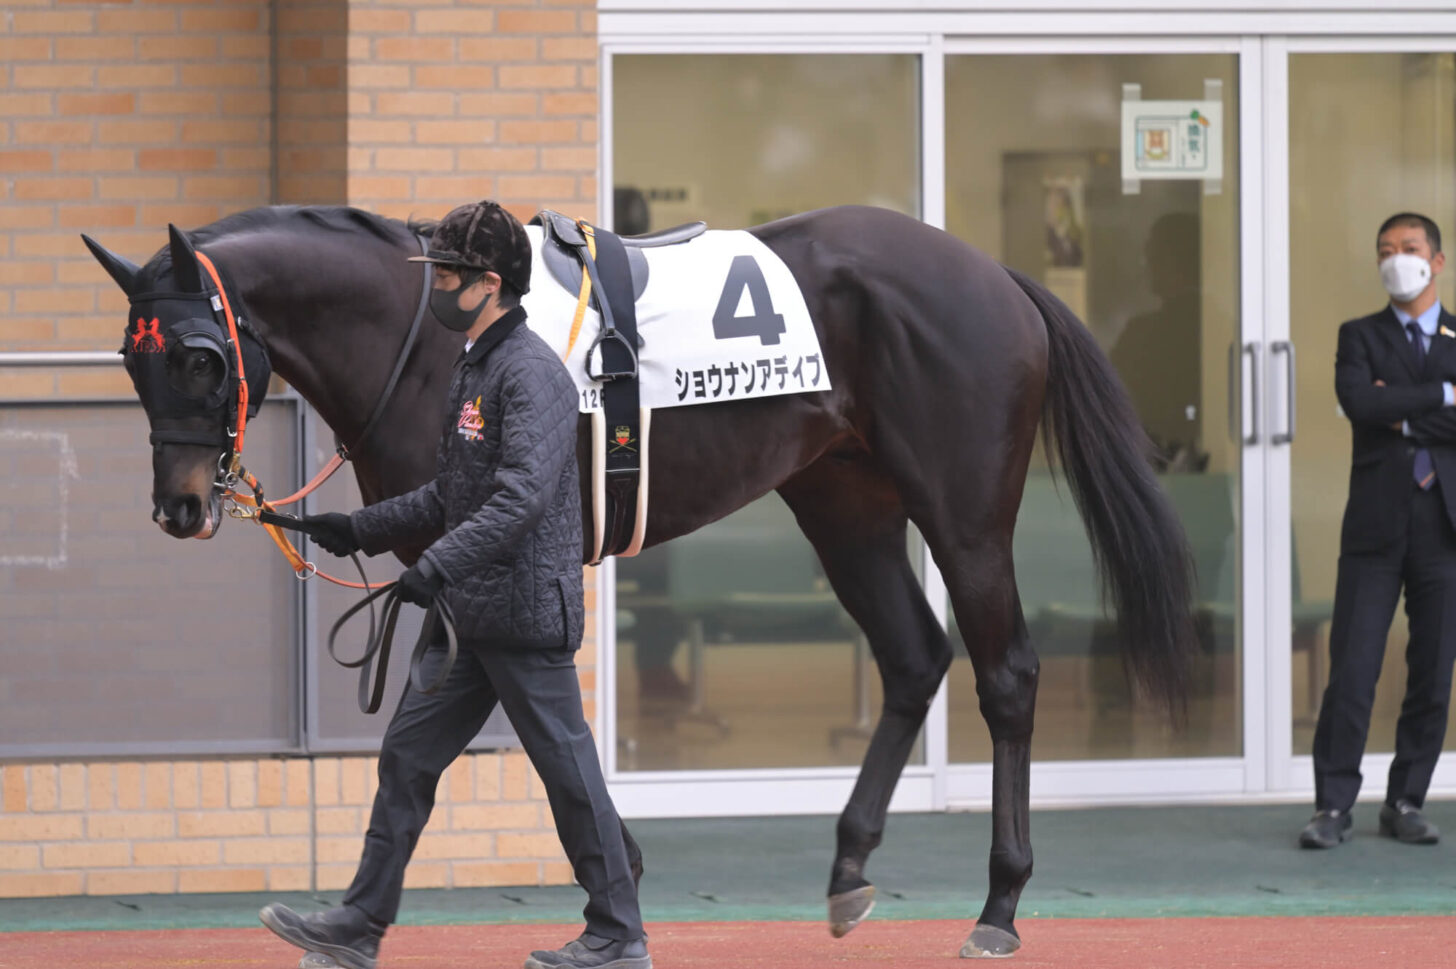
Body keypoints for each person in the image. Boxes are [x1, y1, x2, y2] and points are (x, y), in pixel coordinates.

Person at [257, 200, 651, 969]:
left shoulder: (530, 373)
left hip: (525, 612)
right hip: (472, 613)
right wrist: (357, 527)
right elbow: (450, 492)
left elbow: (520, 496)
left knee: (569, 775)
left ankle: (619, 934)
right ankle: (359, 925)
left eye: (448, 274)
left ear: (491, 284)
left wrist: (435, 565)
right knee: (408, 757)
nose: (436, 285)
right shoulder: (475, 366)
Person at [1301, 212, 1456, 849]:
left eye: (1411, 248)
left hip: (1442, 526)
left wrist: (1401, 409)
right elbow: (1361, 404)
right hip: (1374, 527)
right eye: (1387, 250)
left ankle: (1406, 799)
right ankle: (1333, 806)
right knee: (1354, 668)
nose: (1399, 259)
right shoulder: (1358, 334)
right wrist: (1444, 397)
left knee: (1432, 670)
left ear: (1437, 261)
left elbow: (1382, 408)